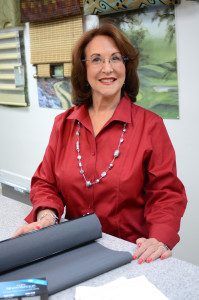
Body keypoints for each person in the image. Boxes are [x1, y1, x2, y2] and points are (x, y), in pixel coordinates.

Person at [14, 23, 187, 264]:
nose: (108, 68)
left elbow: (166, 194)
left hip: (130, 254)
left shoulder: (151, 125)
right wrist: (47, 216)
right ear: (83, 69)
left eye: (115, 58)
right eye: (96, 59)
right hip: (74, 249)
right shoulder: (63, 124)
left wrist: (159, 238)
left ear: (126, 66)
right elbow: (46, 182)